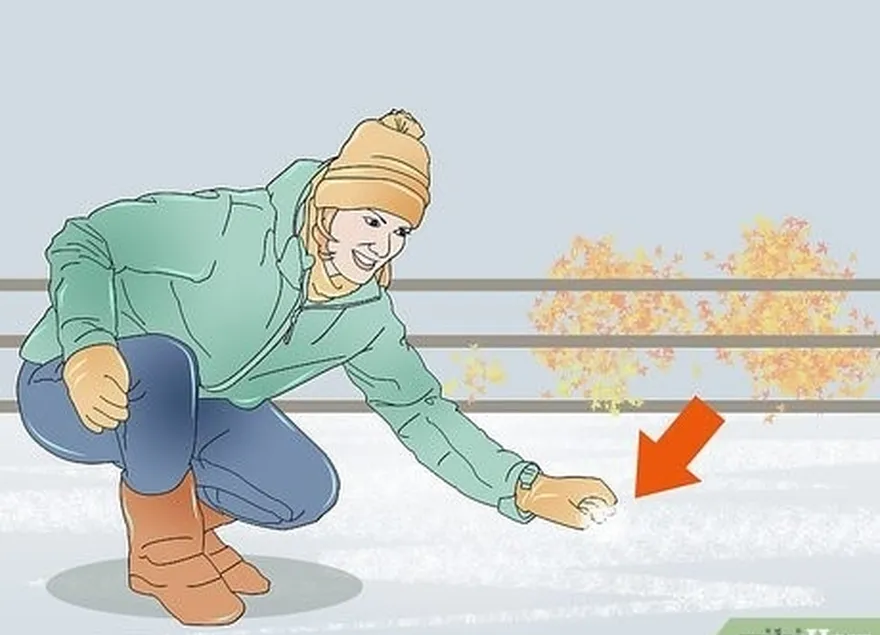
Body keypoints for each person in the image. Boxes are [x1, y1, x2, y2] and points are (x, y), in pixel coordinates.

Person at [15, 109, 618, 627]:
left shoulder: (365, 319)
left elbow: (419, 410)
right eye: (372, 220)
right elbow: (87, 239)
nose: (384, 244)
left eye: (401, 230)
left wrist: (523, 487)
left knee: (303, 491)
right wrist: (88, 343)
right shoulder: (229, 228)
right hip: (75, 388)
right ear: (331, 203)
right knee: (168, 361)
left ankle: (188, 524)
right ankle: (163, 549)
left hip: (196, 409)